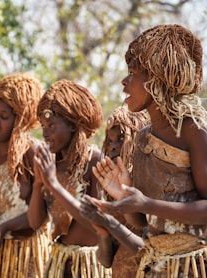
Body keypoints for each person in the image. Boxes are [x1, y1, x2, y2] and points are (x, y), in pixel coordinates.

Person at [80, 24, 207, 277]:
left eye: (132, 73)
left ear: (157, 77)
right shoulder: (143, 138)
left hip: (191, 266)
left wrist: (146, 203)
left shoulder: (194, 131)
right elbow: (142, 223)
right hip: (154, 266)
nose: (124, 81)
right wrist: (125, 198)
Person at [28, 79, 113, 277]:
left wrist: (53, 184)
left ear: (73, 125)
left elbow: (97, 224)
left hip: (90, 264)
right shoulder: (51, 163)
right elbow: (35, 223)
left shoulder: (95, 161)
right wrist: (39, 183)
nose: (45, 133)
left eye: (51, 125)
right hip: (60, 262)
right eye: (43, 126)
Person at [0, 72, 50, 278]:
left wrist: (5, 227)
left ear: (21, 120)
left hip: (30, 256)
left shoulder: (34, 154)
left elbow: (43, 213)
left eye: (4, 116)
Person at [100, 105, 150, 277]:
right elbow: (105, 261)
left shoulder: (148, 185)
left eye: (121, 138)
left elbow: (148, 251)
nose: (113, 146)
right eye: (110, 140)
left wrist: (109, 224)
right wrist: (103, 233)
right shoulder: (109, 188)